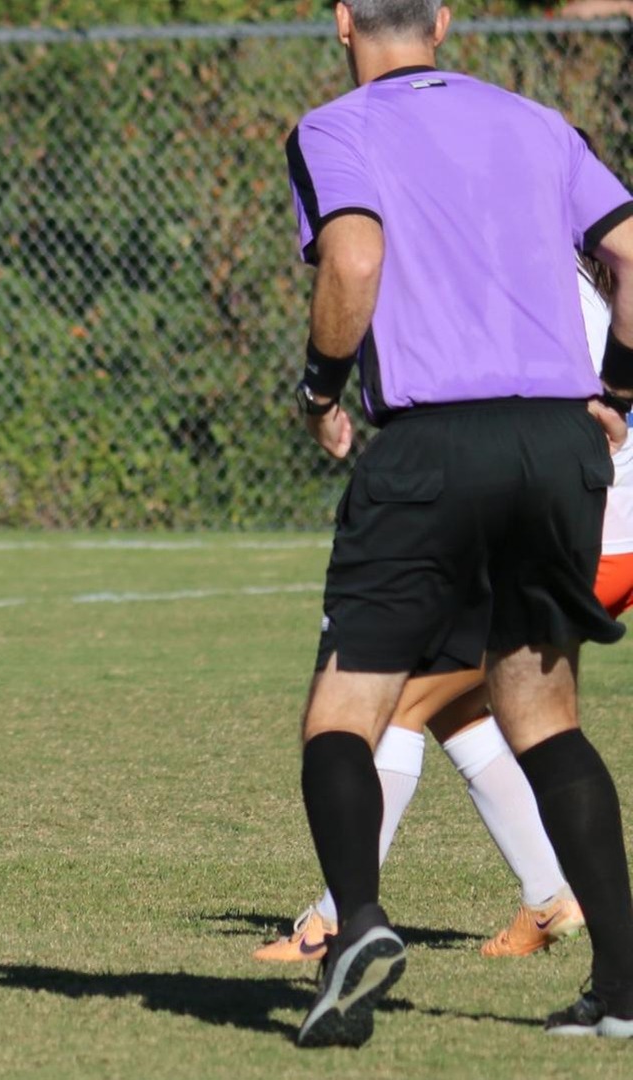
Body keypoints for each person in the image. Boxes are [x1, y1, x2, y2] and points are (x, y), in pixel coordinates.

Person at [285, 0, 633, 1047]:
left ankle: (358, 928)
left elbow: (352, 264)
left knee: (342, 715)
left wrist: (316, 393)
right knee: (544, 712)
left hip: (433, 446)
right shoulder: (537, 122)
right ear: (441, 18)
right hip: (557, 444)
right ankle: (620, 987)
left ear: (343, 20)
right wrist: (614, 393)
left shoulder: (335, 128)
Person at [255, 258, 632, 966]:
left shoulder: (535, 286)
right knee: (459, 704)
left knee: (398, 703)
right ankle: (550, 897)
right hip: (587, 527)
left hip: (592, 538)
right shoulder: (561, 282)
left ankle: (337, 920)